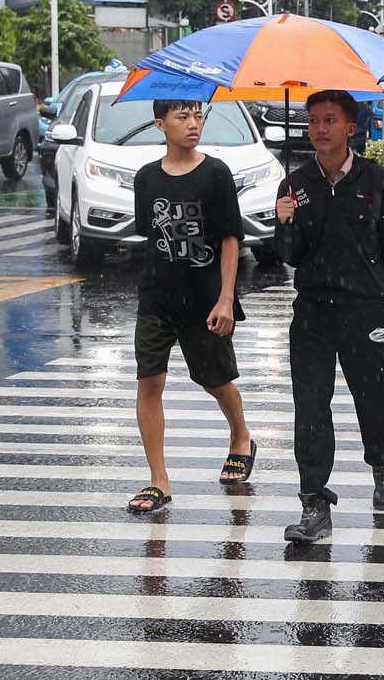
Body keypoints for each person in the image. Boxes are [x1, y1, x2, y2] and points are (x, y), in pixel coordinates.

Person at [275, 89, 384, 544]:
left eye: (329, 120)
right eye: (313, 120)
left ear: (350, 128)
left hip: (365, 309)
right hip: (313, 313)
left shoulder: (378, 181)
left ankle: (382, 466)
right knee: (311, 408)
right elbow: (289, 257)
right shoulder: (294, 185)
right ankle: (314, 503)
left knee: (373, 399)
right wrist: (285, 222)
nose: (319, 129)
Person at [127, 100, 255, 513]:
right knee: (150, 382)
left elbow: (230, 239)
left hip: (205, 298)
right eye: (183, 117)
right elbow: (150, 237)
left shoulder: (216, 173)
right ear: (160, 124)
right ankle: (158, 481)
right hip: (157, 297)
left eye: (198, 116)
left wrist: (225, 299)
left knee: (214, 379)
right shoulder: (146, 179)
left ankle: (241, 435)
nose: (193, 124)